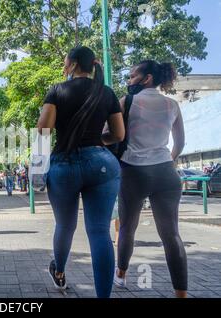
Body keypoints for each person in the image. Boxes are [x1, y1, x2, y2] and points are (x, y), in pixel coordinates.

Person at [37, 46, 125, 297]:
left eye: (65, 61)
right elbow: (118, 134)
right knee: (99, 232)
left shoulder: (57, 90)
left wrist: (38, 164)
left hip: (64, 164)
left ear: (74, 64)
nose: (63, 66)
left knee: (65, 225)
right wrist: (98, 141)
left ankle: (60, 273)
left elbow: (43, 129)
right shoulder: (106, 92)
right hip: (102, 164)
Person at [113, 60, 187, 298]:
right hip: (166, 173)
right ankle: (181, 293)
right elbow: (180, 143)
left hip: (133, 172)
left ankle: (121, 275)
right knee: (171, 235)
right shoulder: (172, 105)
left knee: (127, 228)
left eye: (133, 76)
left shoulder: (127, 102)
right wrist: (168, 160)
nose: (129, 80)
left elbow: (113, 134)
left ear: (146, 78)